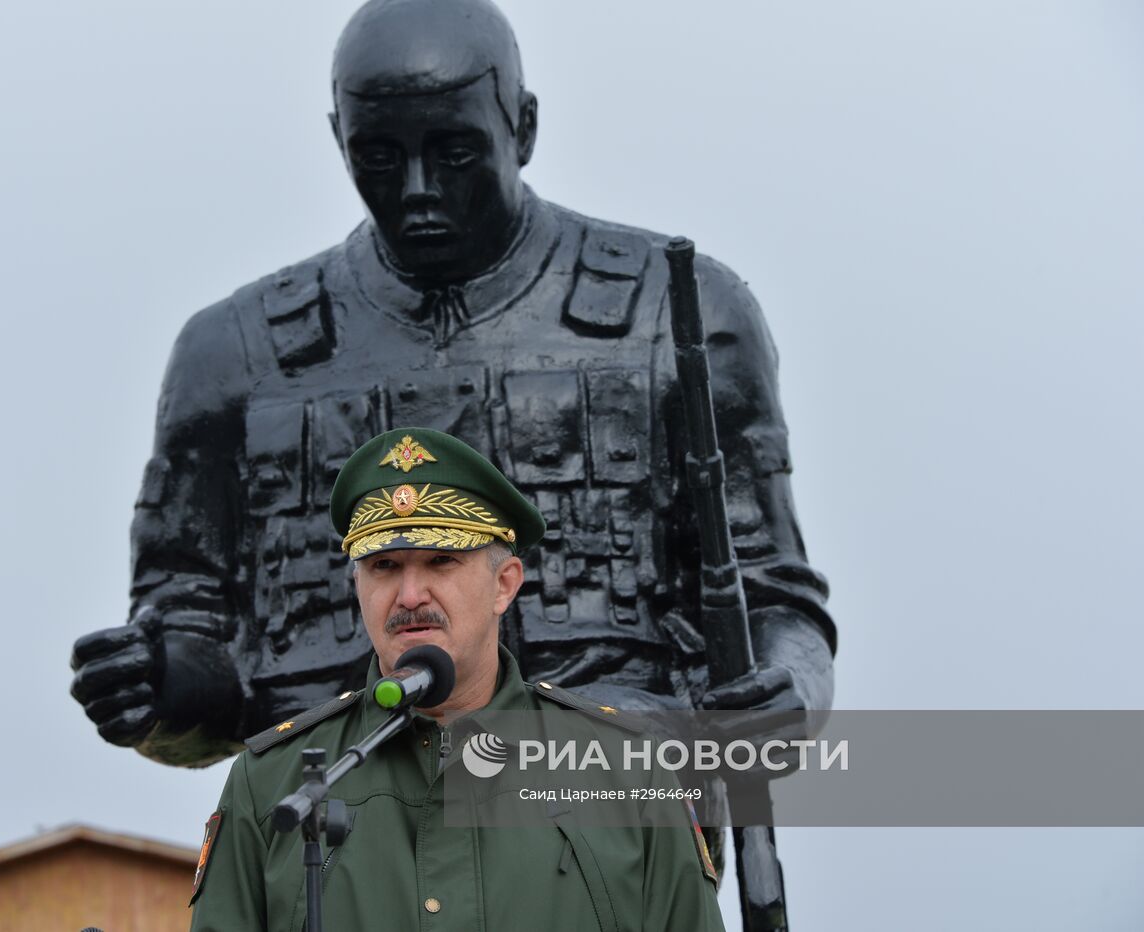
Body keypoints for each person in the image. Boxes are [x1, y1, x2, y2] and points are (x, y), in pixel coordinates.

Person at [70, 0, 833, 788]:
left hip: (602, 824)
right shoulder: (230, 354)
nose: (418, 190)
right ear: (338, 138)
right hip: (334, 842)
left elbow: (769, 592)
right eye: (379, 156)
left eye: (456, 152)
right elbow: (206, 650)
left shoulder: (679, 314)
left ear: (524, 128)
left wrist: (787, 695)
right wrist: (157, 684)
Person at [188, 427, 725, 931]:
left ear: (504, 585)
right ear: (357, 584)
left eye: (441, 560)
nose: (410, 595)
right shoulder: (273, 785)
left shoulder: (628, 771)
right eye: (384, 567)